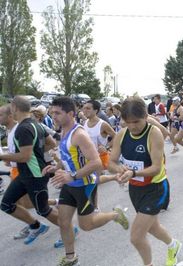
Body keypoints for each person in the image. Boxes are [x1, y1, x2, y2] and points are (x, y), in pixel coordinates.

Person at [43, 97, 129, 266]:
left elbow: (96, 162)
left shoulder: (79, 134)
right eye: (52, 112)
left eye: (57, 113)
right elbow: (68, 156)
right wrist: (56, 166)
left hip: (84, 185)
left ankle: (116, 215)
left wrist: (72, 176)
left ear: (70, 113)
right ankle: (71, 257)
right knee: (63, 221)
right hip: (70, 184)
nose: (53, 116)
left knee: (86, 225)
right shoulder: (63, 131)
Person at [108, 96, 182, 266]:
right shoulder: (121, 134)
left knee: (136, 237)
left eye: (136, 121)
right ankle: (173, 245)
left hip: (155, 188)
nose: (132, 126)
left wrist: (133, 172)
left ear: (146, 116)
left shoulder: (154, 133)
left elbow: (157, 167)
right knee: (152, 226)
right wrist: (120, 169)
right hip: (136, 188)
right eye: (128, 122)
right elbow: (111, 162)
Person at [0, 96, 59, 245]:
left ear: (14, 109)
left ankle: (69, 228)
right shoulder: (35, 124)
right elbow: (51, 143)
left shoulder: (23, 128)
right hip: (25, 175)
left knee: (43, 210)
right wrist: (36, 151)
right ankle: (35, 226)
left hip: (35, 175)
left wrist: (2, 156)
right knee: (6, 204)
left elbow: (25, 156)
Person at [82, 100, 116, 171]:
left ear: (96, 111)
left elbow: (116, 136)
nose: (85, 110)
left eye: (88, 108)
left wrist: (106, 147)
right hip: (86, 159)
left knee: (96, 180)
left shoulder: (103, 124)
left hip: (100, 160)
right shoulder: (84, 123)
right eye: (84, 108)